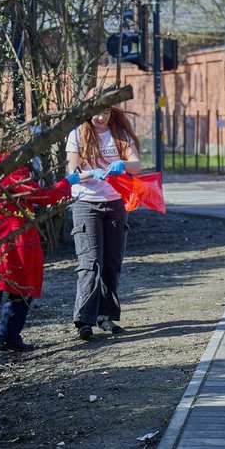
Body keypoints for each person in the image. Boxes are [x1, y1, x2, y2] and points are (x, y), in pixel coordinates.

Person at [0, 128, 78, 352]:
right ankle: (6, 335)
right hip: (13, 233)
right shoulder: (9, 165)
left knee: (2, 285)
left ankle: (7, 336)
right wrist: (67, 183)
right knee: (17, 285)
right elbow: (40, 195)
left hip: (5, 231)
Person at [66, 102, 142, 340]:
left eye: (106, 112)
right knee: (90, 263)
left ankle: (105, 317)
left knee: (111, 262)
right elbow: (72, 174)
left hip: (115, 204)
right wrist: (91, 173)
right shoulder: (77, 134)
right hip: (86, 204)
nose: (101, 117)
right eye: (96, 112)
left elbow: (136, 166)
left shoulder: (120, 133)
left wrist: (123, 165)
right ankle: (84, 320)